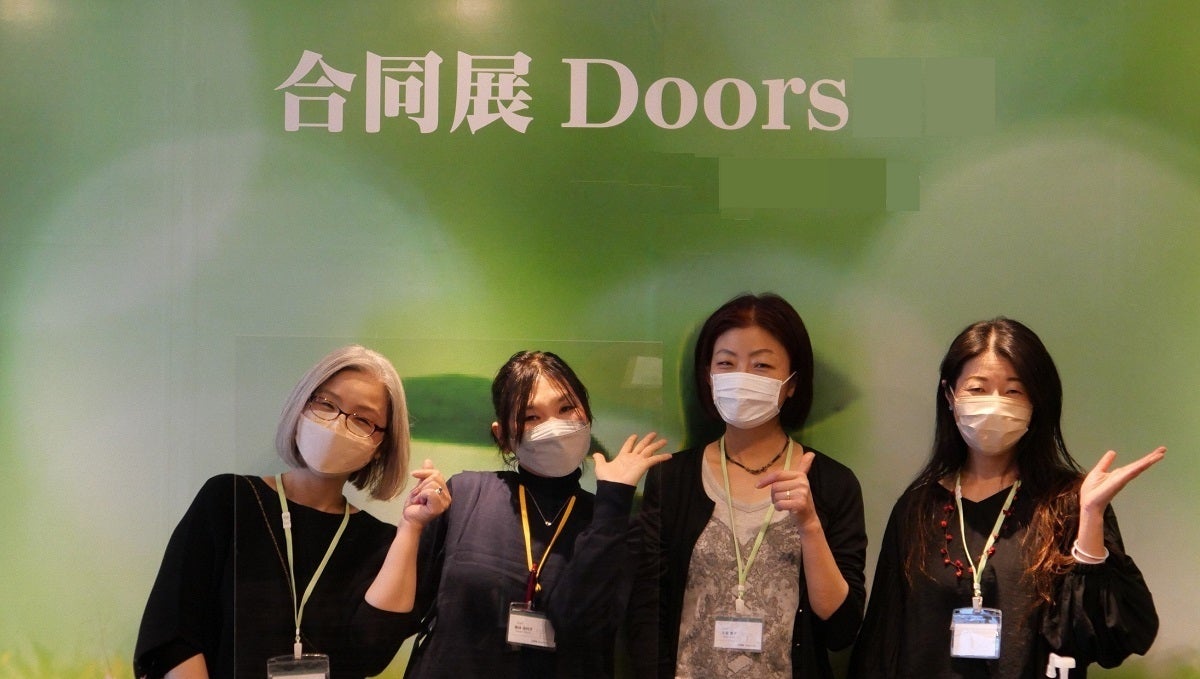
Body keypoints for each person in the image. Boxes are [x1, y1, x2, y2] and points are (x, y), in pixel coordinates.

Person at [848, 317, 1163, 678]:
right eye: (977, 388)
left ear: (1036, 401)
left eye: (1013, 391)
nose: (994, 404)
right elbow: (882, 642)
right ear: (950, 395)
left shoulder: (1069, 503)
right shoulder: (917, 508)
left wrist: (1090, 515)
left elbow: (1111, 639)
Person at [134, 345, 450, 679]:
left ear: (380, 447)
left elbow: (372, 651)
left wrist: (411, 527)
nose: (338, 424)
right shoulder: (229, 500)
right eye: (326, 403)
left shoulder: (380, 541)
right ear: (301, 406)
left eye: (363, 419)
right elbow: (173, 633)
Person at [628, 292, 867, 679]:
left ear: (792, 383)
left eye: (761, 365)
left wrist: (809, 524)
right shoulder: (671, 479)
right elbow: (646, 613)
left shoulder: (832, 484)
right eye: (726, 363)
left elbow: (841, 630)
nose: (741, 378)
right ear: (708, 376)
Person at [402, 350, 670, 678]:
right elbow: (402, 613)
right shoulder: (464, 494)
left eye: (566, 408)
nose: (554, 427)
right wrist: (410, 525)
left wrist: (614, 501)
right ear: (502, 436)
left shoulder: (613, 523)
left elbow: (582, 626)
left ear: (587, 415)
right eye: (531, 417)